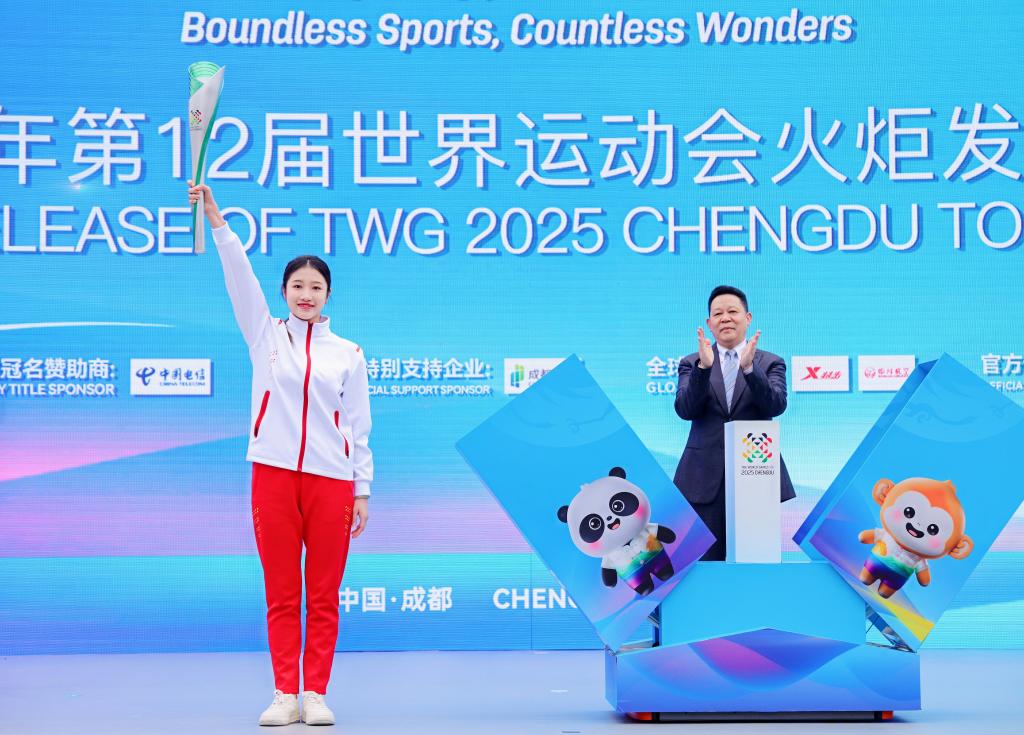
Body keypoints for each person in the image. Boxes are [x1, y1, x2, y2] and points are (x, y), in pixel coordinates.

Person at [188, 182, 372, 726]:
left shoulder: (349, 354)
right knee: (282, 591)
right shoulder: (263, 336)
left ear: (328, 294)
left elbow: (359, 426)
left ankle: (315, 693)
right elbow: (238, 276)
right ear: (284, 292)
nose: (306, 294)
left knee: (324, 593)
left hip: (332, 483)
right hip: (272, 476)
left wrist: (362, 489)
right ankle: (284, 693)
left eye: (316, 286)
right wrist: (217, 220)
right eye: (297, 286)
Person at [672, 285, 794, 561]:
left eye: (732, 312)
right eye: (718, 314)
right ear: (709, 323)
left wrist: (750, 369)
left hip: (756, 476)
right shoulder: (692, 362)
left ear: (747, 318)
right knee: (704, 567)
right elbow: (685, 410)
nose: (725, 318)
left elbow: (776, 405)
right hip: (703, 480)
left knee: (755, 565)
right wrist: (703, 370)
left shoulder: (770, 362)